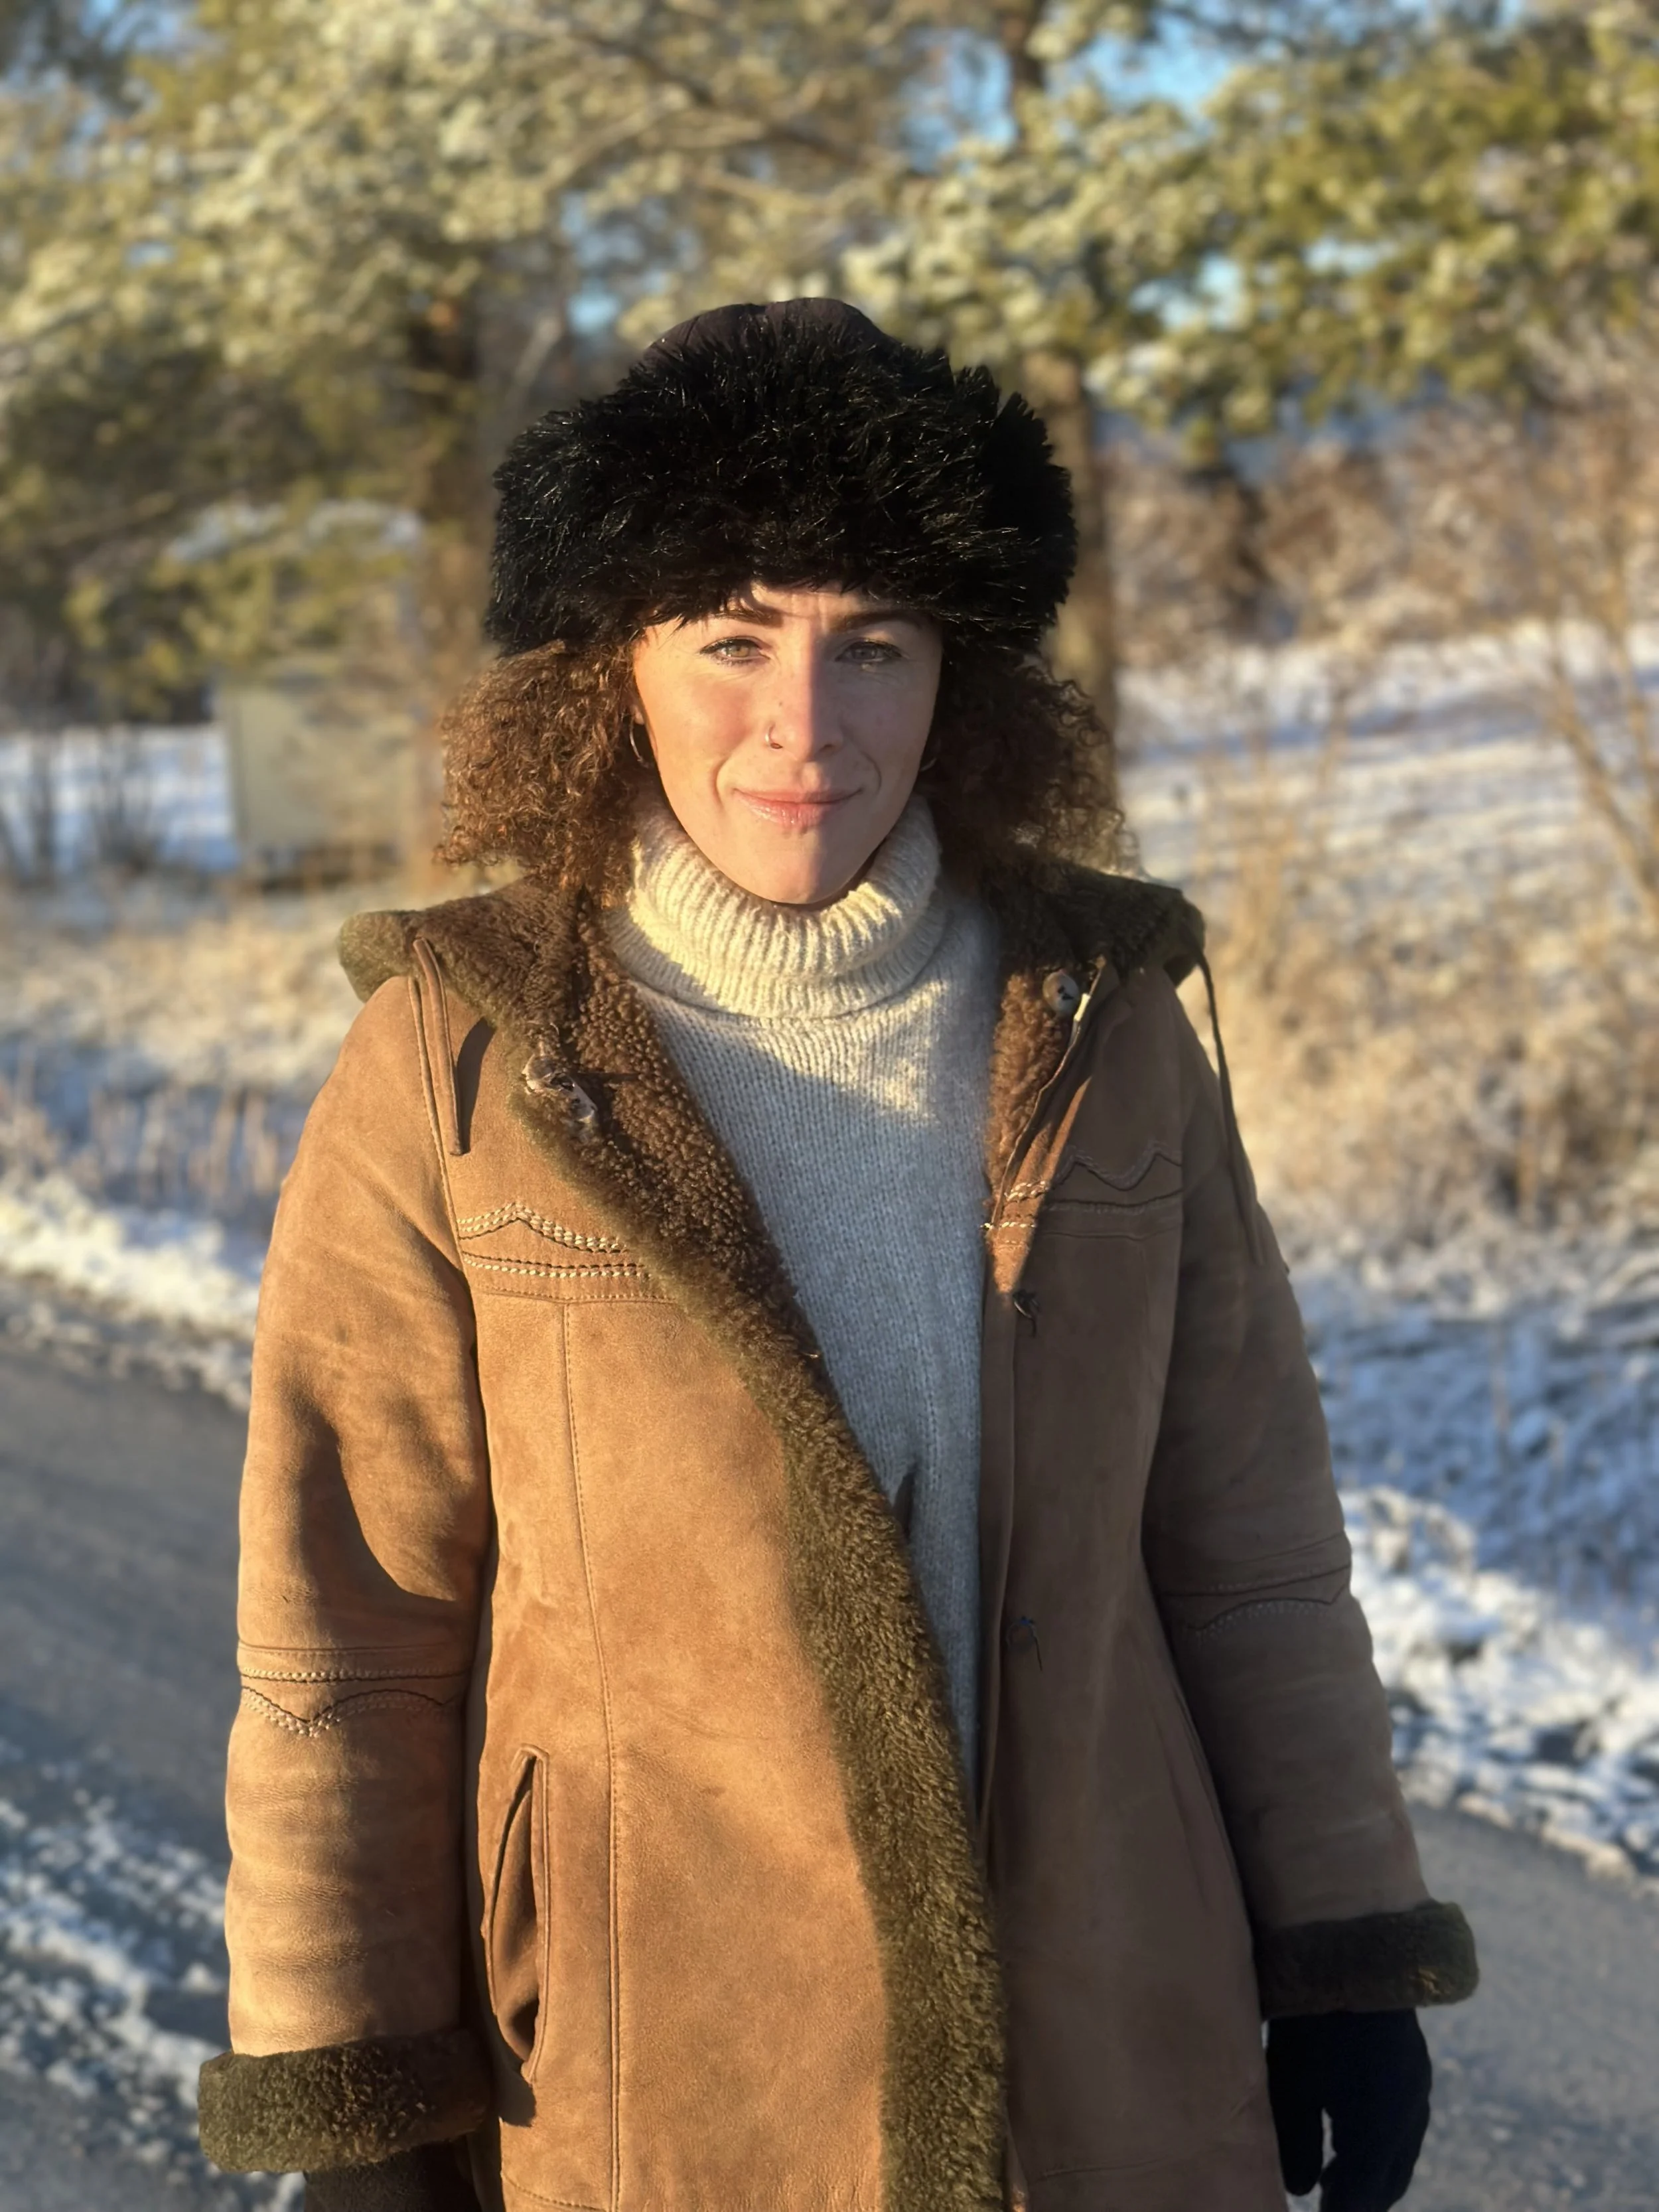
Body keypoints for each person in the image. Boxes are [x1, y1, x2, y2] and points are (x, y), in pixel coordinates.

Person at [197, 300, 1477, 2212]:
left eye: (868, 645)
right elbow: (344, 1636)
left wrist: (1345, 1948)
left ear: (955, 676)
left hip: (1119, 2057)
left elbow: (1256, 1554)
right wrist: (356, 2096)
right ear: (611, 669)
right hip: (654, 2081)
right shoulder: (458, 1055)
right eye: (732, 638)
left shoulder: (1102, 1019)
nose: (804, 727)